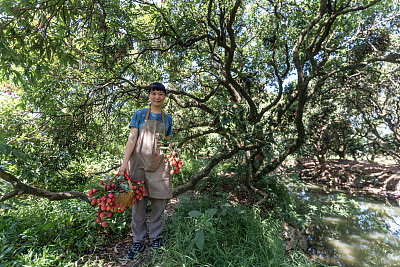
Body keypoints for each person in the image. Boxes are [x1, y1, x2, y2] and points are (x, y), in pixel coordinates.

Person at [118, 82, 173, 259]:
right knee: (138, 203)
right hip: (139, 163)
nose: (157, 97)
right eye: (154, 93)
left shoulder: (168, 119)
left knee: (159, 202)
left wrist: (174, 157)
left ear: (165, 97)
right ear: (149, 95)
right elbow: (132, 138)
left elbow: (168, 142)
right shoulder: (140, 114)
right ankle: (138, 241)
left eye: (161, 94)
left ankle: (156, 238)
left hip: (160, 164)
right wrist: (124, 162)